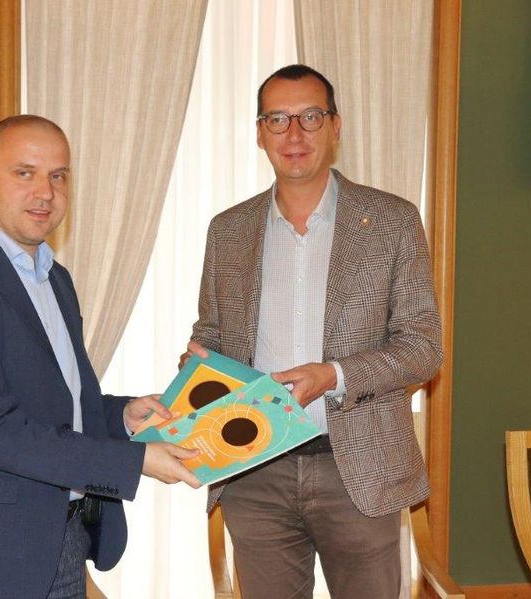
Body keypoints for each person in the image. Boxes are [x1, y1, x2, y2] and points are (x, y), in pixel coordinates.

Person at [0, 114, 200, 599]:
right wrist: (135, 460)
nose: (45, 192)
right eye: (25, 173)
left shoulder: (55, 280)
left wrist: (122, 416)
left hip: (62, 538)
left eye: (58, 176)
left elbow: (60, 406)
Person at [182, 64, 443, 598]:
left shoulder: (392, 221)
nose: (294, 133)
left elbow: (423, 347)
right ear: (260, 133)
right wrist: (197, 368)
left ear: (335, 126)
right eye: (277, 119)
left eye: (310, 116)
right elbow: (211, 334)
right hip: (254, 471)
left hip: (361, 471)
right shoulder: (227, 231)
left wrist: (333, 375)